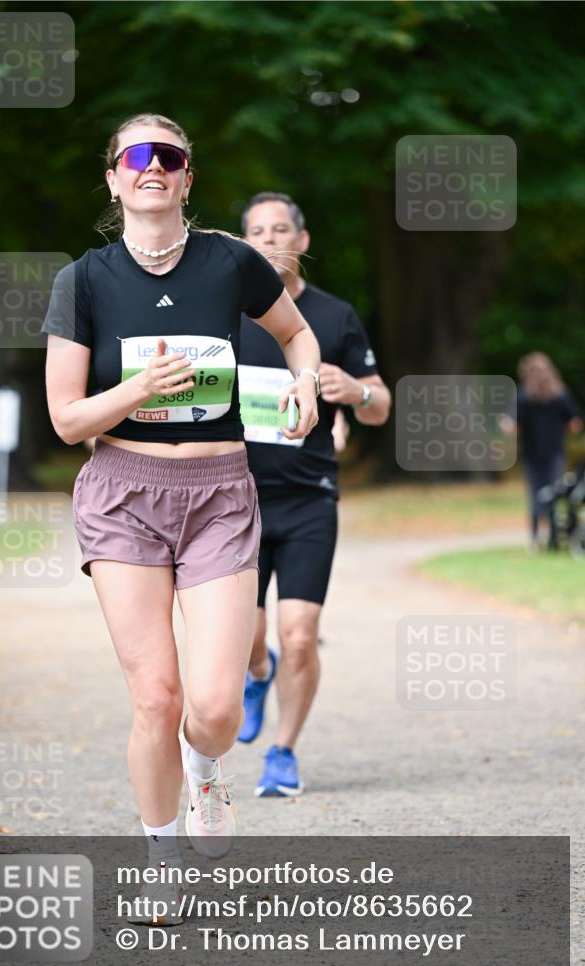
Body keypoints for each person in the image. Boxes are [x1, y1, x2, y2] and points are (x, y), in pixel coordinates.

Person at [43, 115, 320, 923]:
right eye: (136, 156)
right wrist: (138, 391)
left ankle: (205, 774)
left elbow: (297, 336)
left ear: (187, 177)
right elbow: (66, 419)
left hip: (220, 494)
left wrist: (303, 384)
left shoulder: (230, 261)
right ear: (114, 178)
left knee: (216, 708)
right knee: (156, 699)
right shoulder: (84, 279)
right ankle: (159, 854)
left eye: (169, 156)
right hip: (123, 492)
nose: (152, 167)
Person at [237, 192, 391, 796]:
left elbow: (380, 406)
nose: (270, 240)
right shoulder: (224, 314)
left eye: (281, 230)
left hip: (308, 499)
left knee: (299, 634)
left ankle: (283, 752)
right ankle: (256, 674)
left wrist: (355, 391)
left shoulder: (334, 316)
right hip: (234, 502)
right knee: (248, 641)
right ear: (242, 243)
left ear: (302, 241)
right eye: (257, 231)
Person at [502, 352, 582, 551]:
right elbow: (574, 424)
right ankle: (554, 538)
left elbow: (513, 426)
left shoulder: (524, 396)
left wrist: (507, 426)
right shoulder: (561, 395)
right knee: (553, 495)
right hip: (554, 452)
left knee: (536, 496)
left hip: (532, 453)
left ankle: (535, 539)